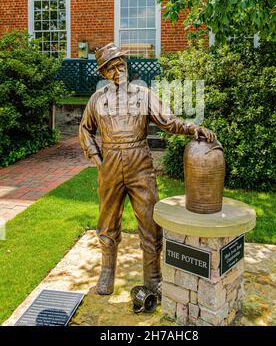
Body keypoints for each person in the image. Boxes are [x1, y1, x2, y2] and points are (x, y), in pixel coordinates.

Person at [79, 43, 216, 296]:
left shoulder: (144, 95)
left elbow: (168, 121)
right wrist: (98, 159)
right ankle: (107, 271)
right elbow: (85, 130)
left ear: (126, 65)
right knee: (107, 221)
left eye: (120, 64)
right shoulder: (98, 99)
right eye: (110, 68)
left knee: (150, 220)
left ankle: (153, 277)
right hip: (109, 163)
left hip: (139, 162)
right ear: (104, 74)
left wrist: (192, 128)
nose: (117, 70)